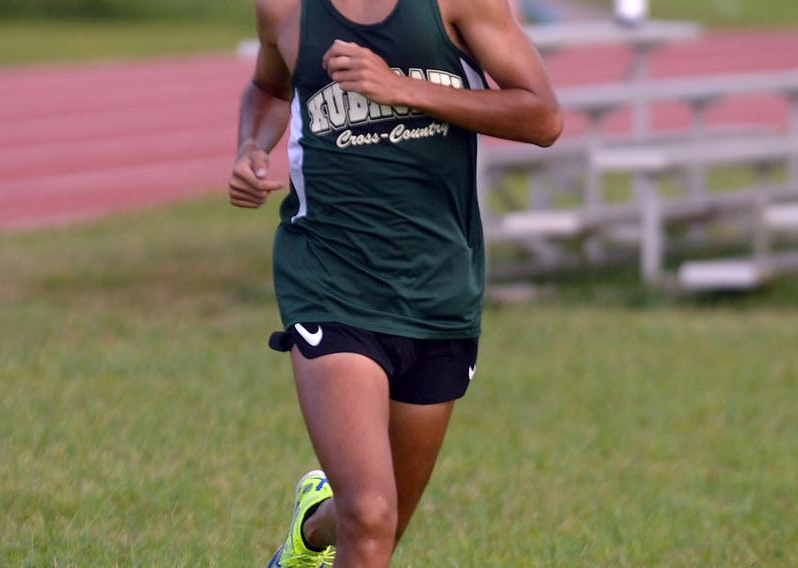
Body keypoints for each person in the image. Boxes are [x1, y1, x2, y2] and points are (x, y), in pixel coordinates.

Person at [228, 0, 561, 565]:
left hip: (438, 287)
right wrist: (251, 149)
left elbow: (542, 117)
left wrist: (402, 88)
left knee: (381, 520)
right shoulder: (283, 9)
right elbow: (269, 88)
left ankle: (310, 535)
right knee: (371, 514)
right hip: (329, 277)